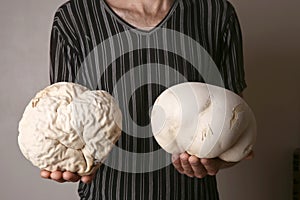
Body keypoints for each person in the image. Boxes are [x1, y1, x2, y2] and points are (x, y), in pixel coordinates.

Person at [41, 0, 254, 199]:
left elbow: (235, 126)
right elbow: (64, 124)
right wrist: (69, 161)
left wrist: (218, 160)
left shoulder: (216, 14)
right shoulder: (74, 19)